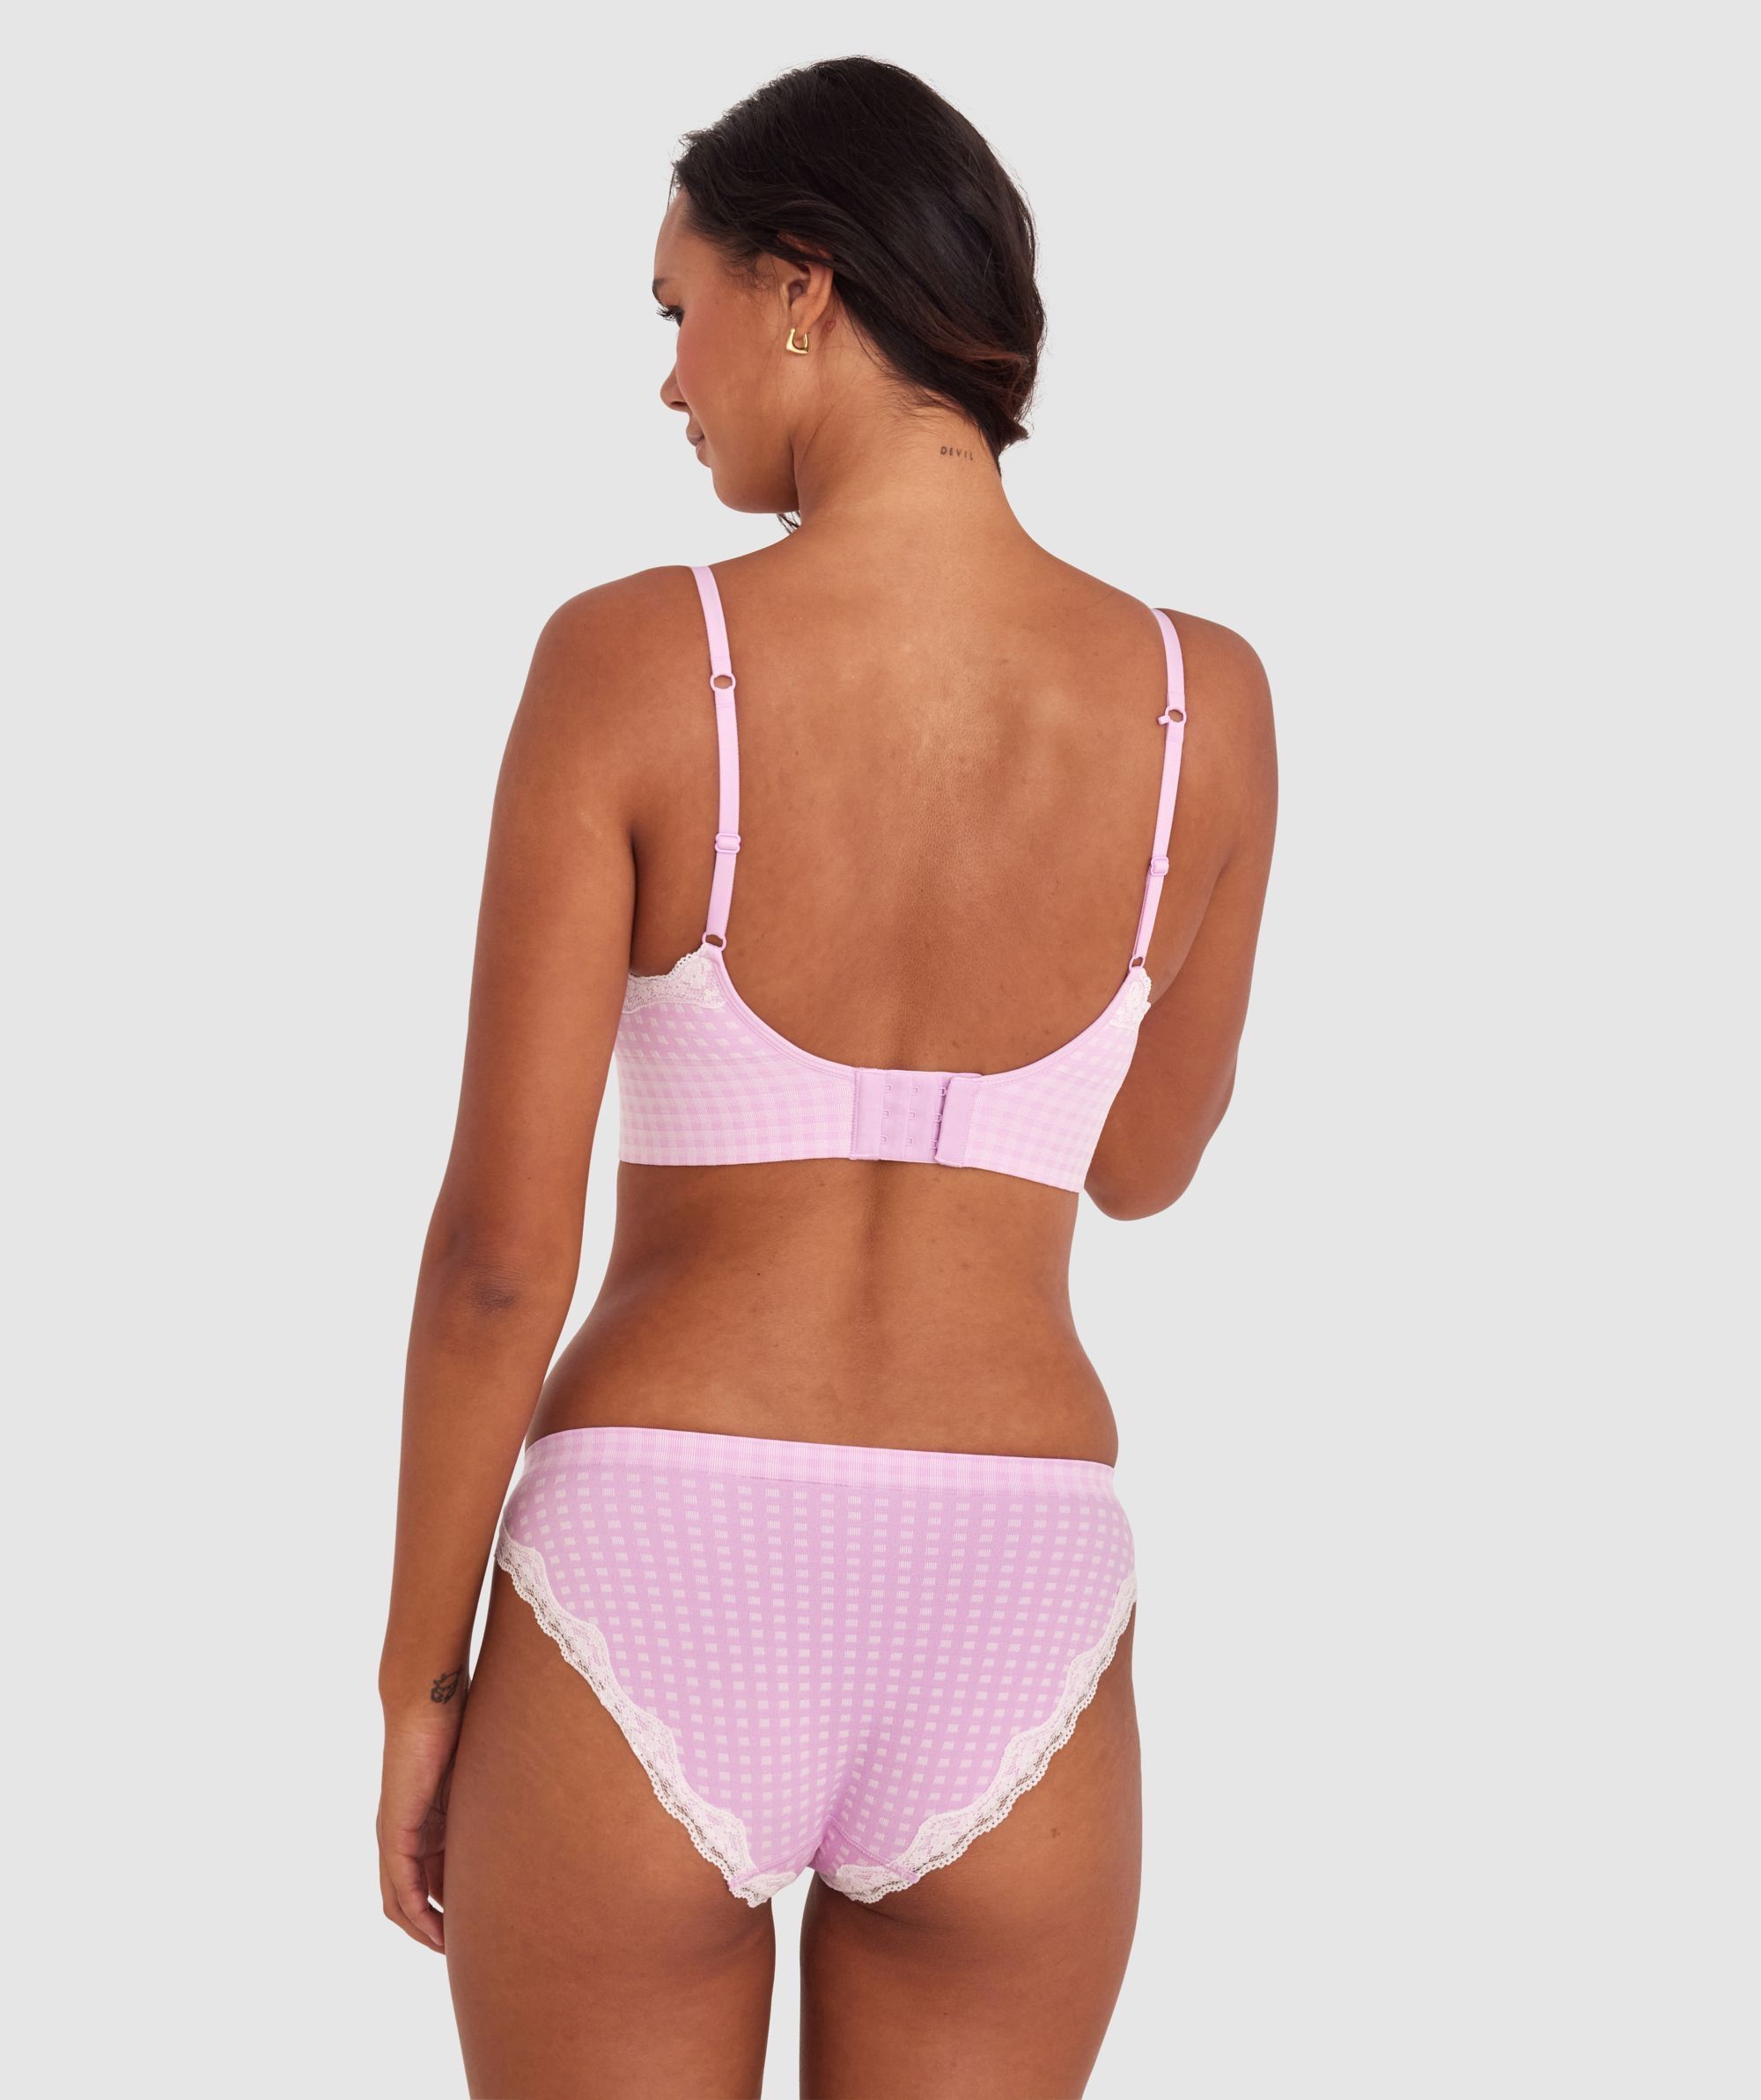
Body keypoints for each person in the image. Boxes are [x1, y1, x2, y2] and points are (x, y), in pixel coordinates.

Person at [377, 54, 1277, 2100]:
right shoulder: (1201, 701)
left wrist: (418, 1678)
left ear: (802, 286)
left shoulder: (632, 657)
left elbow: (499, 1258)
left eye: (677, 306)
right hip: (1013, 1574)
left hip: (655, 1553)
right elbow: (1141, 1162)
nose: (668, 378)